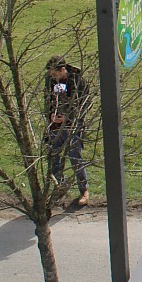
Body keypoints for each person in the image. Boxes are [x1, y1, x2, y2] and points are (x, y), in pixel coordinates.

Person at [44, 55, 91, 206]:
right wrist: (50, 115)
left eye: (55, 73)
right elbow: (47, 100)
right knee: (54, 158)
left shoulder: (77, 82)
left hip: (72, 127)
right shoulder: (50, 81)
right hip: (54, 127)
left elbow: (84, 104)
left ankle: (83, 190)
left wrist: (68, 117)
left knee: (75, 158)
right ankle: (59, 188)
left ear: (62, 69)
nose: (53, 77)